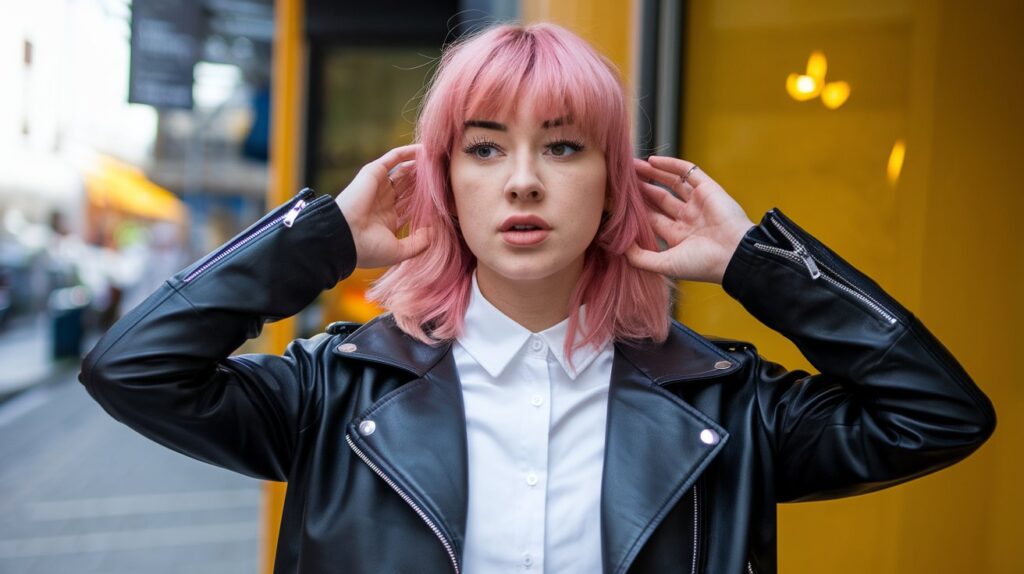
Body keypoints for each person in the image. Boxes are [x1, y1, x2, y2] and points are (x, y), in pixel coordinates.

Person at [79, 23, 995, 574]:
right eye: (483, 149)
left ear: (611, 183)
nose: (522, 182)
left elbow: (939, 416)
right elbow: (134, 369)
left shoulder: (723, 405)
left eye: (562, 148)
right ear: (442, 182)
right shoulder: (336, 396)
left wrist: (760, 264)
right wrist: (315, 241)